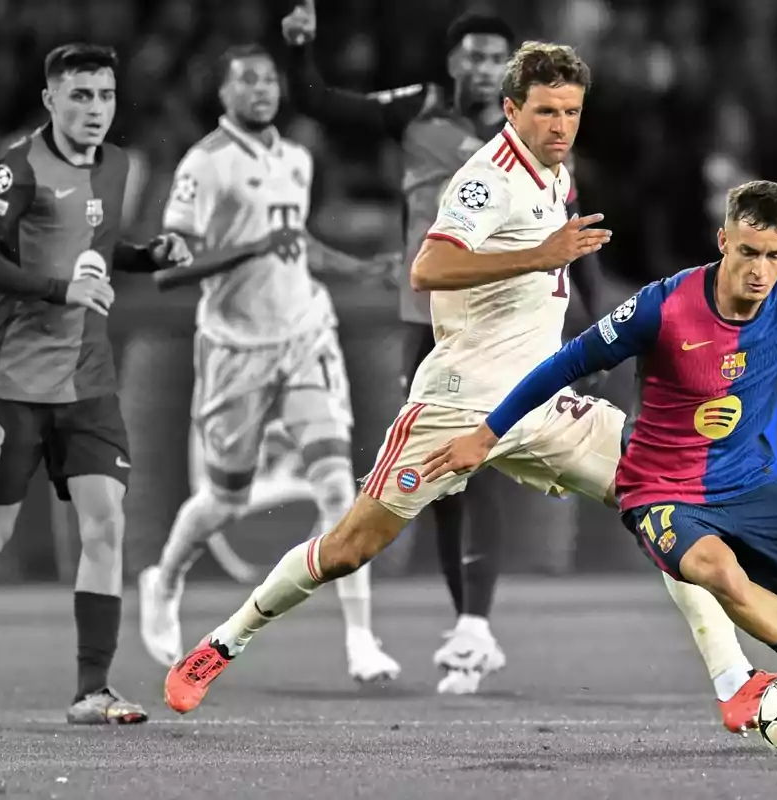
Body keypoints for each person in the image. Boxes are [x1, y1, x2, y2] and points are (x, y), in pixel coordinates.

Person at [162, 43, 777, 737]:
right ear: (511, 110)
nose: (560, 126)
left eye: (571, 112)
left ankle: (734, 682)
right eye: (545, 111)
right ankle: (224, 642)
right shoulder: (485, 179)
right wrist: (540, 254)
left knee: (665, 505)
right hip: (459, 405)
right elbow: (430, 266)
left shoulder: (557, 175)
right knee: (348, 548)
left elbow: (555, 281)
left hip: (542, 405)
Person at [422, 180, 777, 752]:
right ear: (723, 241)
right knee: (717, 571)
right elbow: (566, 363)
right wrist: (487, 433)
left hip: (747, 483)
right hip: (658, 489)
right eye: (748, 251)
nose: (760, 269)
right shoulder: (663, 305)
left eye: (775, 255)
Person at [280, 2, 611, 693]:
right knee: (442, 477)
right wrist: (301, 51)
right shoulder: (416, 109)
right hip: (426, 314)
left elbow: (568, 237)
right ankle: (470, 623)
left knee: (481, 460)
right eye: (473, 54)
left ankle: (476, 624)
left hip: (507, 324)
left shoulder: (536, 134)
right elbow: (318, 102)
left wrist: (594, 317)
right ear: (453, 60)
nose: (482, 66)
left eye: (496, 57)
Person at [137, 44, 401, 685]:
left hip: (306, 333)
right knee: (224, 498)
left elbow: (296, 244)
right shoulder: (205, 166)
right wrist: (250, 246)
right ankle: (163, 576)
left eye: (269, 80)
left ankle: (362, 641)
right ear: (223, 93)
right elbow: (172, 271)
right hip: (235, 348)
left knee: (339, 486)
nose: (261, 89)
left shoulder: (296, 158)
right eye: (246, 80)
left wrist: (360, 267)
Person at [0, 43, 192, 724]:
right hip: (14, 379)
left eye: (105, 96)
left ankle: (91, 690)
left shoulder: (117, 164)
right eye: (80, 96)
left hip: (89, 382)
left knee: (106, 527)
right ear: (50, 100)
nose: (95, 110)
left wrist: (149, 254)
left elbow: (96, 247)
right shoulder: (19, 167)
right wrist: (56, 290)